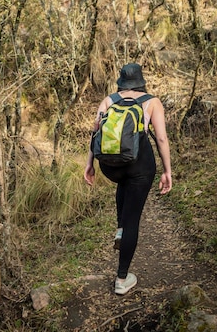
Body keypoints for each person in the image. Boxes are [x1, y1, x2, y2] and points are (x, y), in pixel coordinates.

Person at [84, 63, 172, 295]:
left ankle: (121, 228)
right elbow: (161, 139)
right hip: (139, 165)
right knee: (134, 215)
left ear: (121, 82)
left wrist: (89, 164)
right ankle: (122, 278)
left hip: (110, 166)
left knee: (123, 182)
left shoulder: (108, 100)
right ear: (141, 81)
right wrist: (167, 171)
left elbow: (95, 133)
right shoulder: (152, 102)